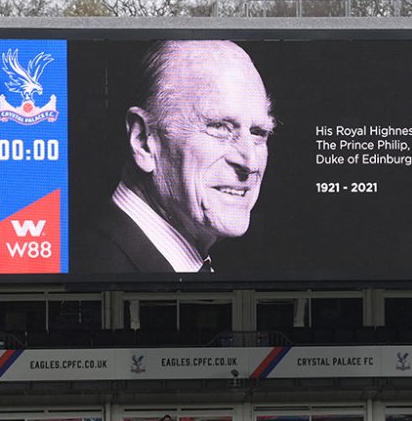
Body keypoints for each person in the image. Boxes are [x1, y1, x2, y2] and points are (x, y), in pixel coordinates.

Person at [76, 40, 275, 274]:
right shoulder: (100, 273)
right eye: (219, 127)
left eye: (258, 133)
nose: (250, 163)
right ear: (143, 141)